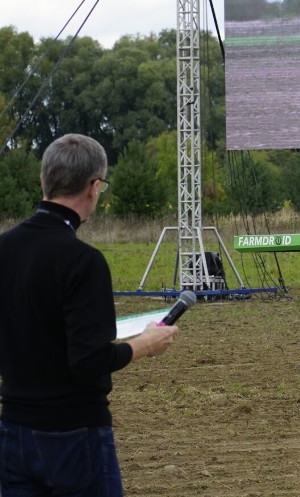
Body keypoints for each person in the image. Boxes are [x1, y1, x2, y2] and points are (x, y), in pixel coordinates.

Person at [0, 133, 179, 495]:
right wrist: (145, 344)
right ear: (94, 187)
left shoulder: (4, 248)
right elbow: (88, 359)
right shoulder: (83, 262)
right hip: (73, 433)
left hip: (12, 430)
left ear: (43, 180)